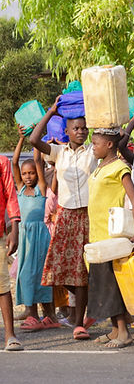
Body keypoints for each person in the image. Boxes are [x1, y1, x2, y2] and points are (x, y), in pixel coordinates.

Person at [29, 96, 97, 340]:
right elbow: (34, 140)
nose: (80, 132)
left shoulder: (94, 151)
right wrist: (51, 111)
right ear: (66, 131)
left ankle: (79, 323)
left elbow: (117, 140)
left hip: (89, 214)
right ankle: (86, 303)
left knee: (83, 271)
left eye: (83, 128)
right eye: (75, 128)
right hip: (66, 215)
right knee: (57, 270)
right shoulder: (59, 152)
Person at [86, 130, 134, 348]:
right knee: (102, 283)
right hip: (97, 234)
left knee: (111, 284)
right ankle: (115, 329)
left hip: (111, 235)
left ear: (109, 144)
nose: (93, 147)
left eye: (96, 144)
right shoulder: (99, 167)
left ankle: (125, 333)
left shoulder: (120, 168)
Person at [11, 134, 56, 331]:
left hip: (41, 237)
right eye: (25, 173)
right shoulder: (19, 189)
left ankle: (49, 315)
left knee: (41, 276)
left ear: (37, 175)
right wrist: (21, 138)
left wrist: (35, 142)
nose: (28, 176)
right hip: (25, 237)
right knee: (25, 274)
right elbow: (14, 161)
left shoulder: (41, 189)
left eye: (31, 173)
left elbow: (37, 160)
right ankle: (33, 315)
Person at [0, 145, 22, 351]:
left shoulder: (2, 162)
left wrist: (14, 228)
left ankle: (10, 335)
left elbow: (10, 195)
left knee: (2, 286)